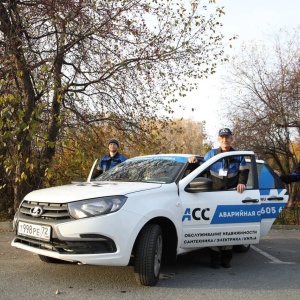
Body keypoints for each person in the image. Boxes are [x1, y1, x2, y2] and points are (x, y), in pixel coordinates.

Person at [188, 127, 249, 269]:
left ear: (231, 139)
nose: (225, 140)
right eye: (222, 137)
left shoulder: (238, 155)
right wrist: (193, 162)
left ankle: (226, 259)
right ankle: (214, 260)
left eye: (227, 137)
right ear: (218, 139)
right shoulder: (211, 154)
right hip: (213, 196)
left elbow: (244, 171)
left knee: (229, 229)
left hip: (231, 195)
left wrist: (241, 182)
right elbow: (200, 170)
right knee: (213, 228)